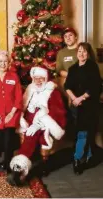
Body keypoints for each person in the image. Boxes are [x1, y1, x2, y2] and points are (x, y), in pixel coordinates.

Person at [7, 67, 66, 186]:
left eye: (41, 78)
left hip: (44, 121)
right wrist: (22, 119)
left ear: (46, 79)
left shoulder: (53, 92)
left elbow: (57, 112)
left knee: (31, 134)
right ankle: (21, 165)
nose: (38, 81)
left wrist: (38, 124)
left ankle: (20, 167)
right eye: (36, 78)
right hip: (29, 120)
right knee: (28, 131)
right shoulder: (30, 89)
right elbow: (22, 105)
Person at [64, 42, 102, 175]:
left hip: (89, 105)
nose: (81, 53)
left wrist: (81, 98)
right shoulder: (73, 68)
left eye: (84, 51)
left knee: (86, 133)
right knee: (79, 133)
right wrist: (74, 98)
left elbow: (96, 86)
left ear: (88, 53)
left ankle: (80, 159)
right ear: (77, 53)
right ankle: (80, 158)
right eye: (79, 51)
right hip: (76, 106)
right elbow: (67, 86)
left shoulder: (92, 67)